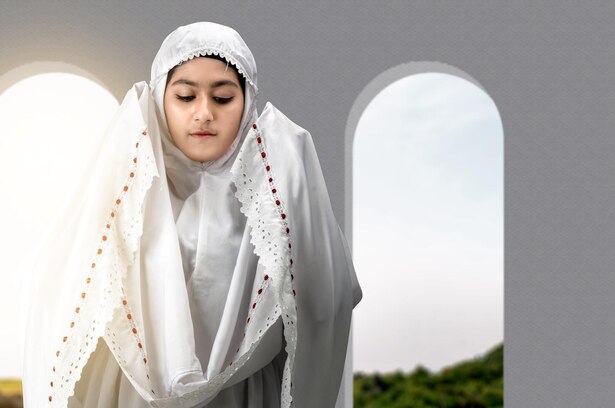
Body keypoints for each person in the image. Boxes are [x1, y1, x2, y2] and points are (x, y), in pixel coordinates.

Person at [21, 21, 362, 408]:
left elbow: (326, 301)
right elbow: (59, 296)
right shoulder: (125, 189)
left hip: (244, 395)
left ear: (246, 100)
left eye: (222, 98)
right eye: (185, 96)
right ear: (160, 98)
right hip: (129, 395)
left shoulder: (277, 189)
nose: (203, 114)